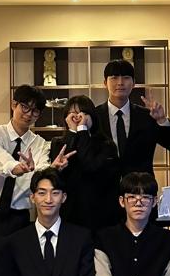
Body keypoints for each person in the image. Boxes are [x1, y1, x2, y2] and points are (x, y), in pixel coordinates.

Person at [0, 85, 75, 236]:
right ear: (13, 105)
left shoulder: (40, 144)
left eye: (35, 111)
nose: (29, 114)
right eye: (25, 107)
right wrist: (17, 167)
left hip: (20, 216)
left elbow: (41, 173)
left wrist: (53, 168)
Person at [50, 94, 121, 234]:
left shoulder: (106, 145)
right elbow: (57, 174)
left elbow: (90, 165)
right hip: (68, 212)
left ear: (93, 116)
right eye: (73, 114)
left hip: (100, 213)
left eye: (83, 113)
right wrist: (72, 132)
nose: (78, 118)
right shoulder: (57, 143)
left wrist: (82, 130)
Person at [95, 60, 170, 181]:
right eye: (114, 78)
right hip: (103, 187)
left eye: (126, 78)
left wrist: (162, 120)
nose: (120, 83)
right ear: (105, 83)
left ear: (133, 83)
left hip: (140, 188)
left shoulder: (148, 116)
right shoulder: (94, 117)